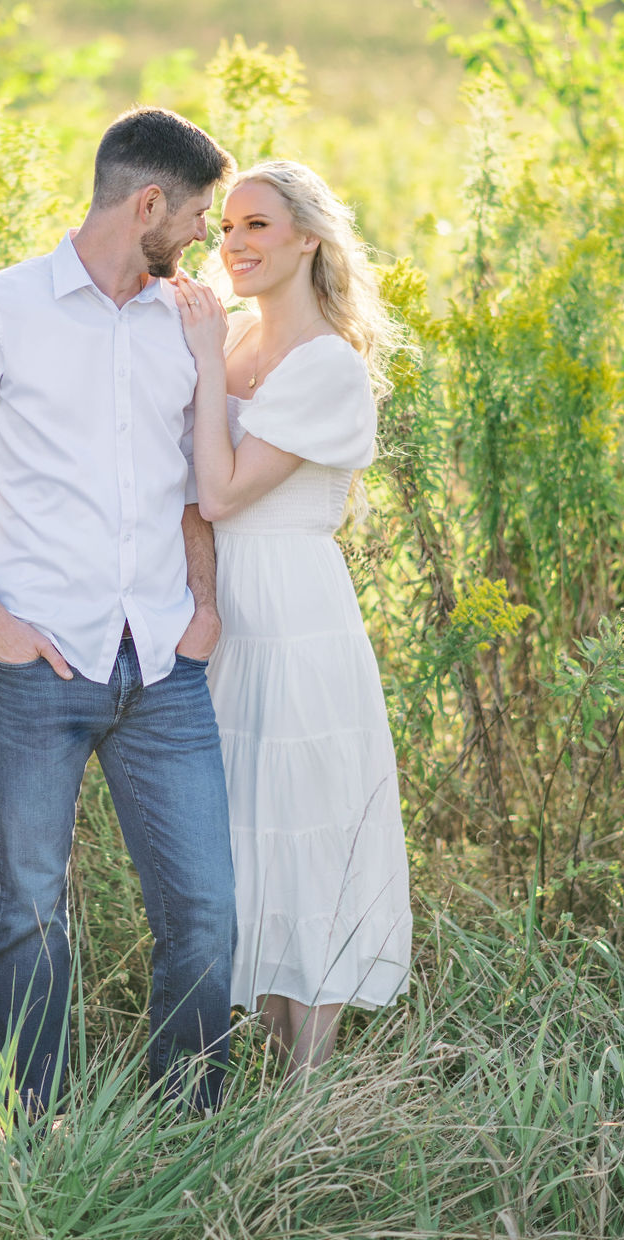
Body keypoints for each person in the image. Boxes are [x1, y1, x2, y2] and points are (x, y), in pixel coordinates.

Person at [0, 107, 238, 1116]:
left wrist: (206, 606)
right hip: (35, 667)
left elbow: (192, 487)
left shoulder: (185, 318)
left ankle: (185, 1120)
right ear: (146, 204)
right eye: (194, 215)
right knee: (27, 918)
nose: (202, 237)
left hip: (165, 671)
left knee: (206, 913)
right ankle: (27, 1127)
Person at [172, 158, 412, 1070]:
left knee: (306, 831)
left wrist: (197, 363)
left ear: (308, 237)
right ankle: (257, 1061)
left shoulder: (327, 367)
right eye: (226, 227)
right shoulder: (228, 337)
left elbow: (224, 493)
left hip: (293, 613)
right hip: (218, 610)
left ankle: (309, 1093)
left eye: (257, 226)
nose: (232, 244)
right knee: (240, 838)